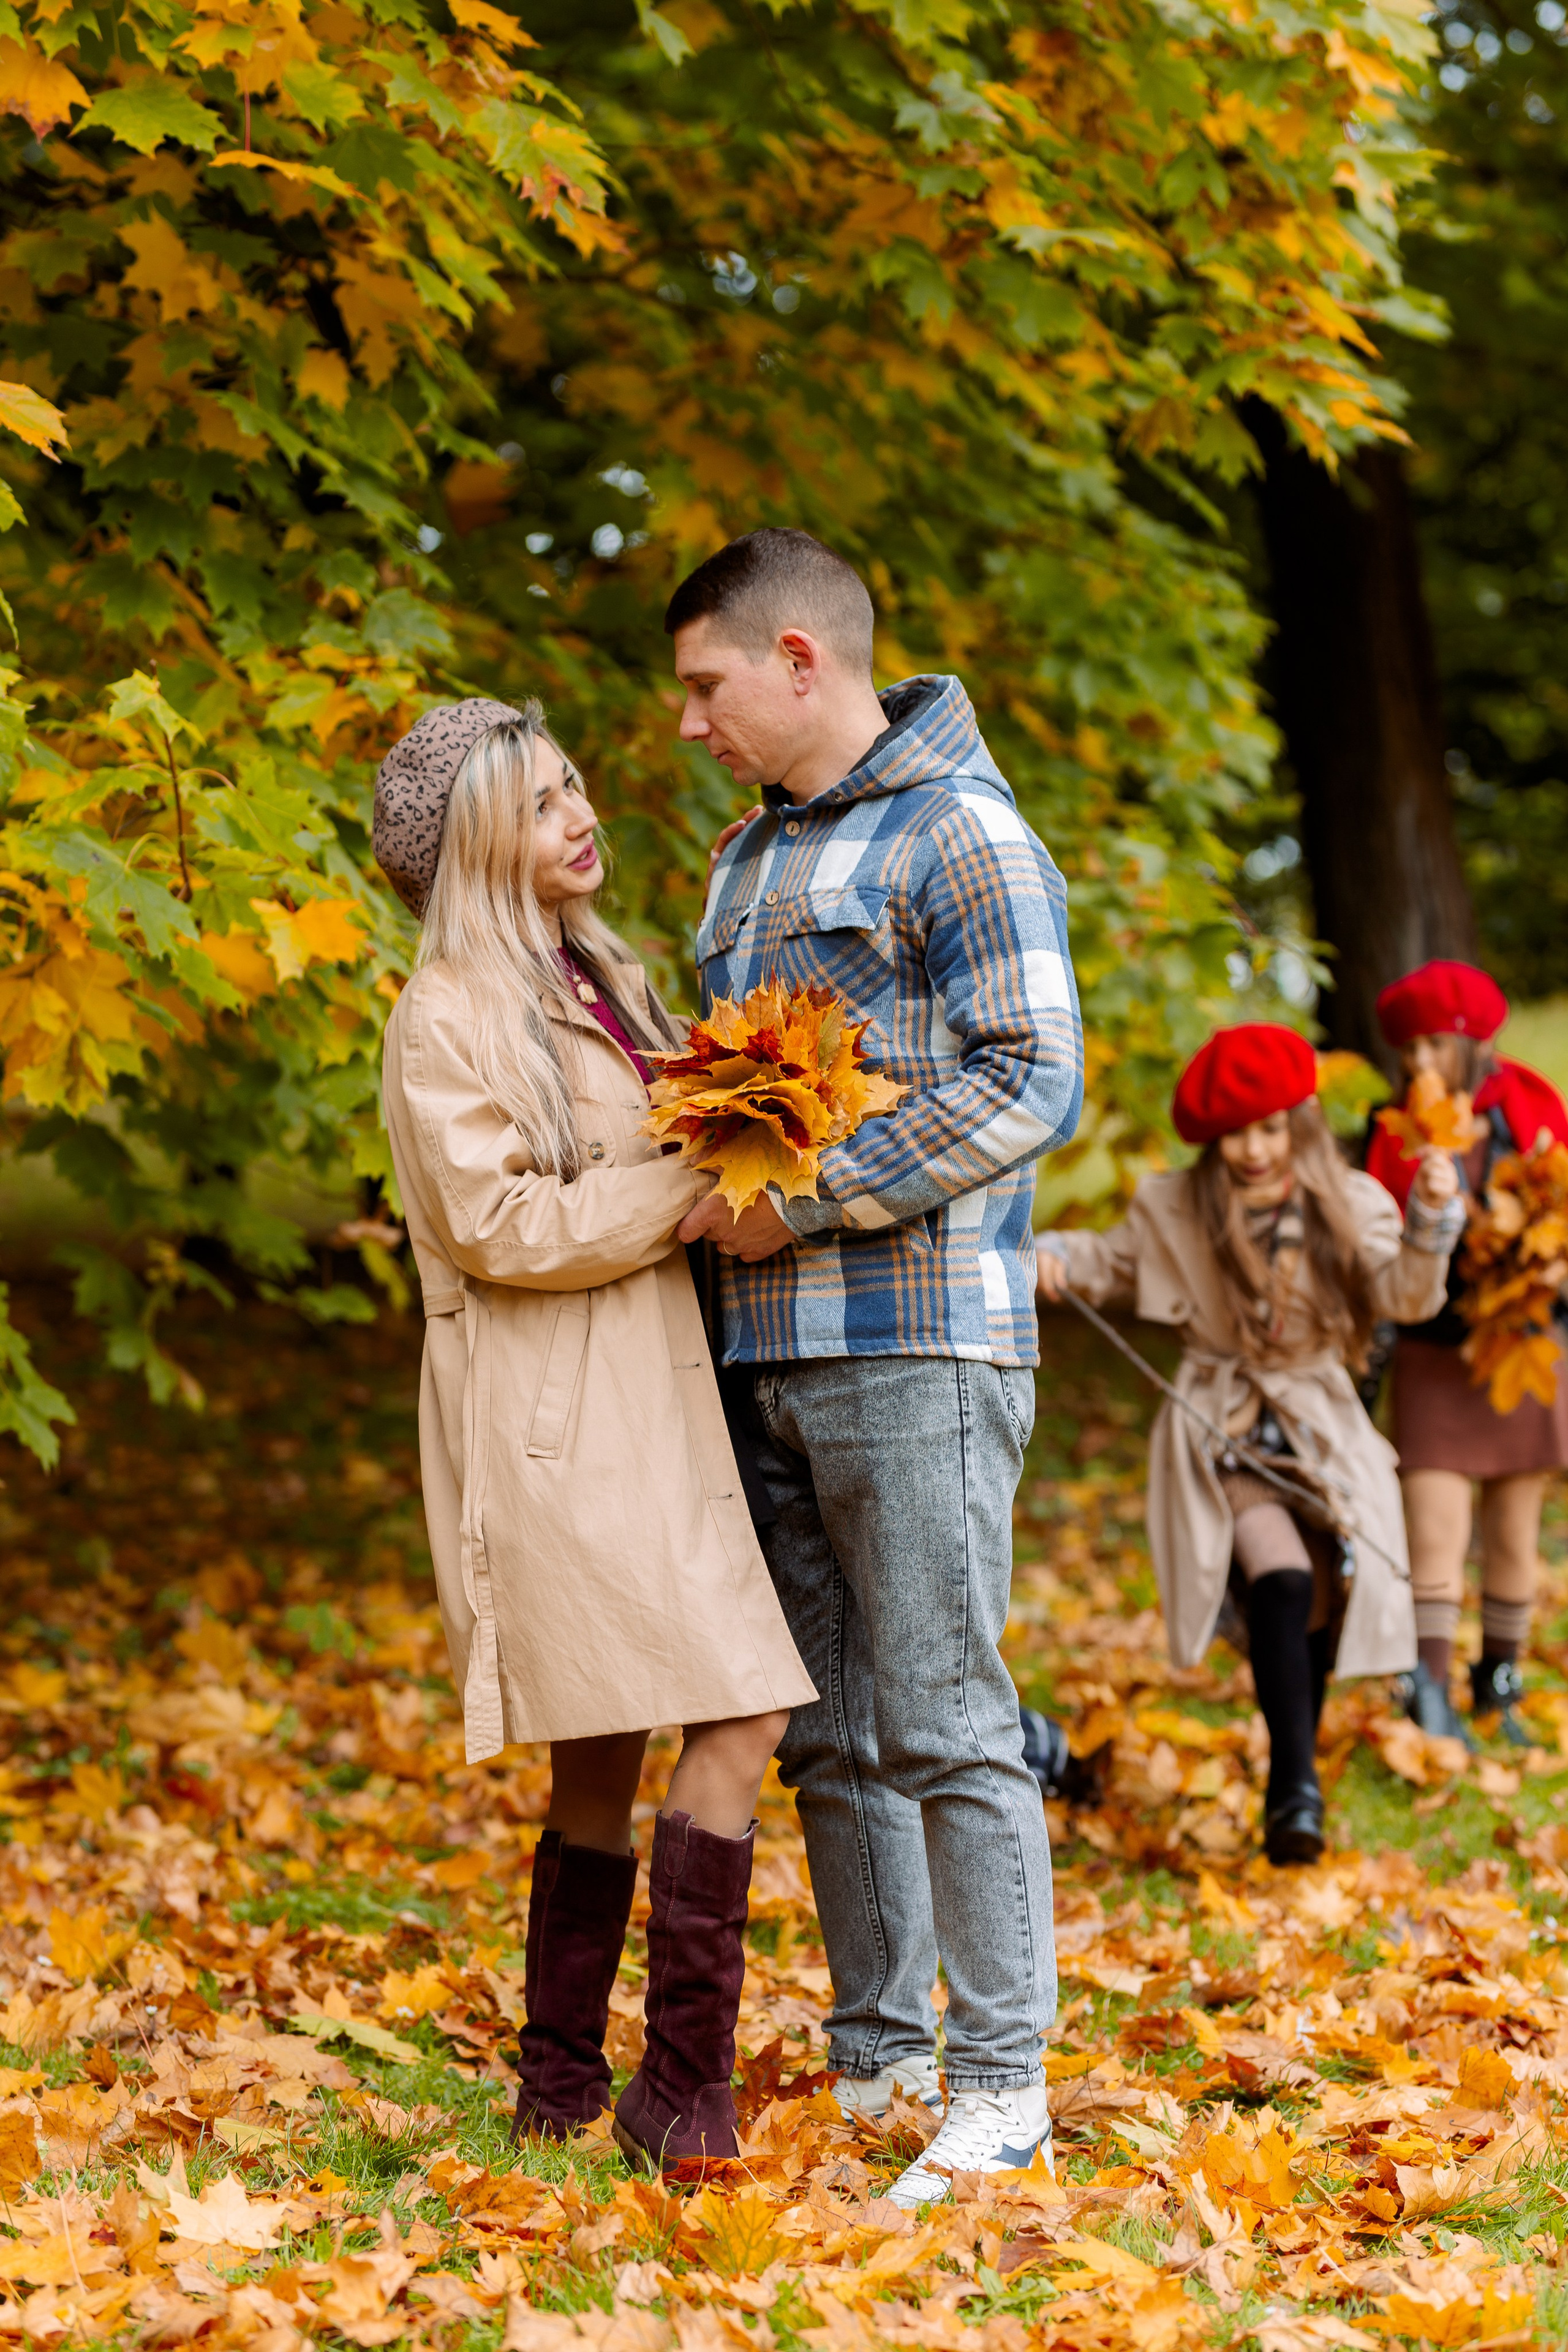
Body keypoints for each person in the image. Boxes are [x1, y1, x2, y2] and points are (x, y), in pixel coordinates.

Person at [668, 527, 1083, 2207]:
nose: (690, 722)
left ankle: (1001, 2087)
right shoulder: (738, 864)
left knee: (948, 1717)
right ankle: (880, 2056)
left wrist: (817, 1198)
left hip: (915, 1345)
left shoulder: (964, 833)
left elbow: (1031, 1078)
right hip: (761, 1360)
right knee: (831, 1734)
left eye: (706, 687)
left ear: (795, 658)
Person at [372, 696, 815, 2174]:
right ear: (481, 847)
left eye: (574, 785)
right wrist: (681, 1190)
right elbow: (496, 1222)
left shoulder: (596, 973)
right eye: (543, 802)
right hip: (556, 1419)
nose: (581, 814)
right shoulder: (447, 1016)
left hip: (650, 1394)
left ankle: (561, 2082)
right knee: (738, 1708)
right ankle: (678, 2085)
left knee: (605, 1753)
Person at [1036, 1024, 1461, 1863]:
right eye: (1236, 1133)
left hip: (1317, 1424)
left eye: (1271, 1129)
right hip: (1222, 1423)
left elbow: (1406, 1295)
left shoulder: (1351, 1201)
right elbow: (1111, 1264)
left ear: (1299, 1124)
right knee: (1282, 1572)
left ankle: (1293, 1767)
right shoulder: (1175, 1209)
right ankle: (1293, 1788)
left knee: (1323, 1599)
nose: (1254, 1149)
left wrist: (1432, 1222)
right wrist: (1048, 1256)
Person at [1367, 959, 1568, 1744]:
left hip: (1522, 1348)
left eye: (1430, 1047)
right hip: (1432, 1351)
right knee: (1437, 1531)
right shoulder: (1397, 1129)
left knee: (1516, 1533)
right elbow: (1376, 1241)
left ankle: (1500, 1687)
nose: (1416, 1064)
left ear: (1472, 1042)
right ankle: (1431, 1688)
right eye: (1406, 1050)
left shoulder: (1531, 1104)